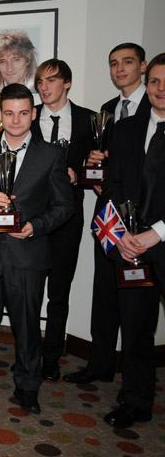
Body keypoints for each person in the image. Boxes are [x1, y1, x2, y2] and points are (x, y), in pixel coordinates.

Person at [0, 83, 73, 415]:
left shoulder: (50, 155)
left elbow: (65, 206)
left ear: (33, 114)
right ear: (0, 115)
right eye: (9, 113)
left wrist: (36, 226)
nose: (16, 120)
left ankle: (27, 386)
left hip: (28, 251)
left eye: (23, 113)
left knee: (27, 324)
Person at [63, 43, 150, 385]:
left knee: (137, 303)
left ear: (142, 66)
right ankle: (100, 364)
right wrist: (94, 168)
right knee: (105, 291)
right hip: (109, 214)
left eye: (127, 62)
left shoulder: (155, 107)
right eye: (114, 63)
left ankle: (135, 385)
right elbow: (104, 158)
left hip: (144, 217)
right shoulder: (108, 109)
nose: (120, 69)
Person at [100, 51, 165, 429]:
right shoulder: (125, 129)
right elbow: (112, 187)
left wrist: (156, 233)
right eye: (155, 81)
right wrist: (119, 235)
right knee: (136, 328)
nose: (160, 89)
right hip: (130, 248)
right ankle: (136, 400)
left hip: (161, 240)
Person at [31, 59, 94, 382]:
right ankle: (28, 353)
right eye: (40, 81)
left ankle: (51, 356)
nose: (45, 87)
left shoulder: (89, 120)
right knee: (28, 289)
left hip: (68, 214)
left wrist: (78, 174)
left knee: (59, 290)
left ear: (67, 82)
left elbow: (102, 165)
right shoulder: (28, 116)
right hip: (32, 214)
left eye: (52, 80)